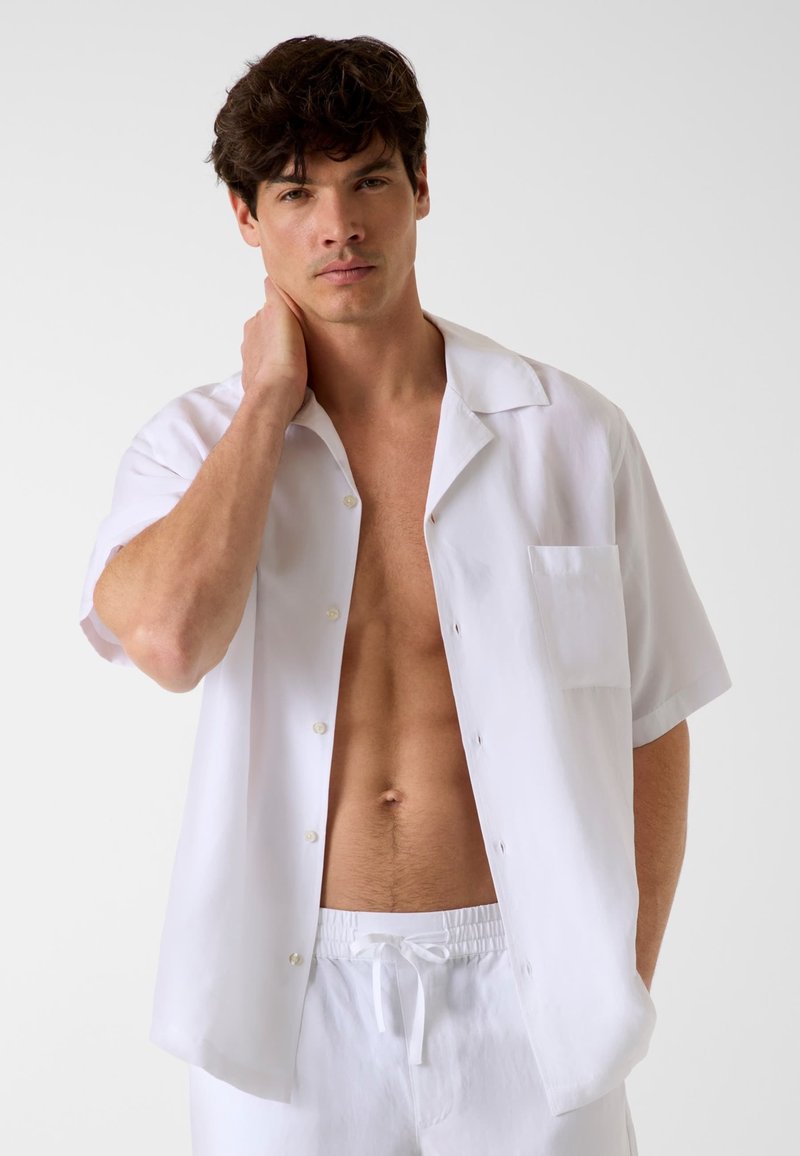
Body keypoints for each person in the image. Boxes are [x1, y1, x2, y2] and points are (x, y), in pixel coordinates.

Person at [79, 34, 732, 1156]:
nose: (339, 224)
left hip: (532, 993)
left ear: (421, 187)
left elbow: (654, 717)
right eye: (297, 193)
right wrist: (266, 404)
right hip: (285, 1008)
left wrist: (614, 974)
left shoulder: (571, 436)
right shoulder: (191, 444)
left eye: (370, 179)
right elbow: (168, 642)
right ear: (246, 217)